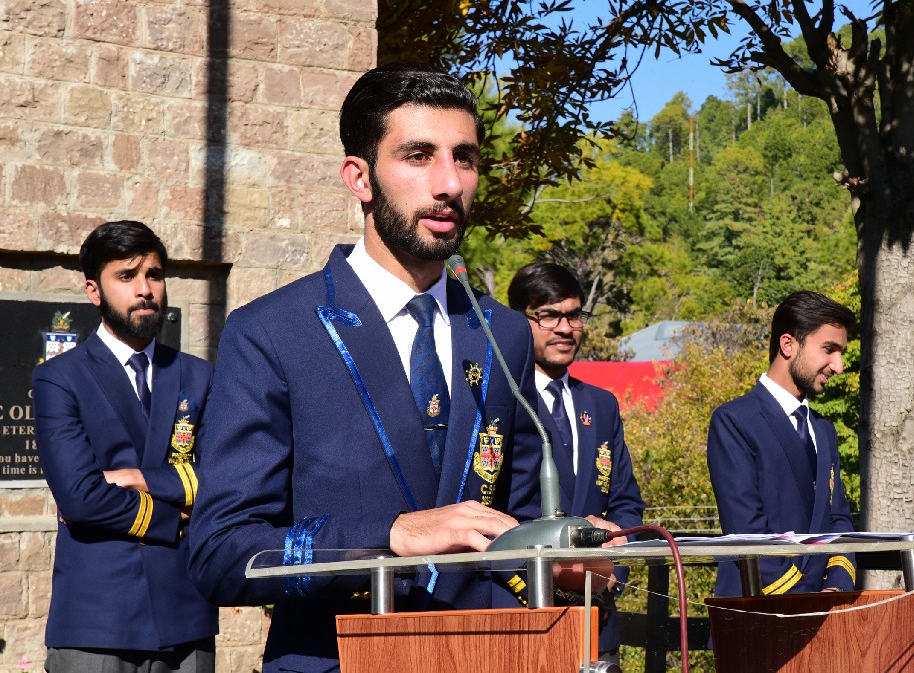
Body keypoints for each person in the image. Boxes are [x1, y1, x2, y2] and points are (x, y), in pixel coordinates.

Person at [188, 63, 543, 672]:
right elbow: (221, 554)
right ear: (360, 177)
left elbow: (520, 520)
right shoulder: (274, 331)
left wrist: (563, 557)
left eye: (464, 158)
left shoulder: (502, 333)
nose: (449, 183)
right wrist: (389, 535)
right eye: (418, 156)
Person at [32, 221, 217, 672]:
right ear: (94, 291)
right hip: (97, 620)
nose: (145, 290)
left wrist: (137, 478)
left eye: (154, 275)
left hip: (185, 615)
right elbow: (81, 498)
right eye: (126, 276)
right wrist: (173, 518)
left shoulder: (198, 376)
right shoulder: (60, 378)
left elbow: (227, 477)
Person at [507, 262, 645, 664]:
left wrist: (614, 567)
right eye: (549, 315)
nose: (565, 328)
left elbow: (625, 502)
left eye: (574, 315)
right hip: (525, 614)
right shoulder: (503, 401)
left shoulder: (601, 405)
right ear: (518, 321)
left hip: (598, 617)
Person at [707, 290, 857, 598]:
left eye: (840, 353)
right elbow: (746, 528)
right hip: (759, 607)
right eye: (829, 349)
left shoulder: (824, 430)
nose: (838, 365)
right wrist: (802, 597)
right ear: (788, 344)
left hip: (824, 605)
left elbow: (838, 520)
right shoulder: (735, 420)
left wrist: (836, 586)